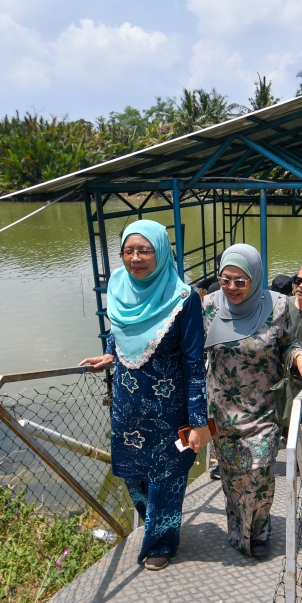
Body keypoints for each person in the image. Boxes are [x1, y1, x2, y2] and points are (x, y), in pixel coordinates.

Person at [78, 220, 210, 572]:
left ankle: (162, 541)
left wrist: (199, 422)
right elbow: (121, 329)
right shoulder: (118, 286)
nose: (135, 259)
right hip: (127, 405)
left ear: (162, 252)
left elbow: (195, 363)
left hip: (169, 410)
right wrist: (109, 352)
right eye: (128, 251)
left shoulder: (184, 299)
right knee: (133, 475)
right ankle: (155, 520)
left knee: (166, 477)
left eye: (144, 250)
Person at [203, 244, 302, 558]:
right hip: (222, 413)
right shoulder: (207, 307)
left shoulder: (278, 306)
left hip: (262, 410)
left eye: (241, 281)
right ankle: (238, 531)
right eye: (226, 279)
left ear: (256, 278)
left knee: (259, 473)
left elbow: (289, 342)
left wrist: (299, 355)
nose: (232, 288)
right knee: (233, 478)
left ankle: (259, 533)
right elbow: (188, 353)